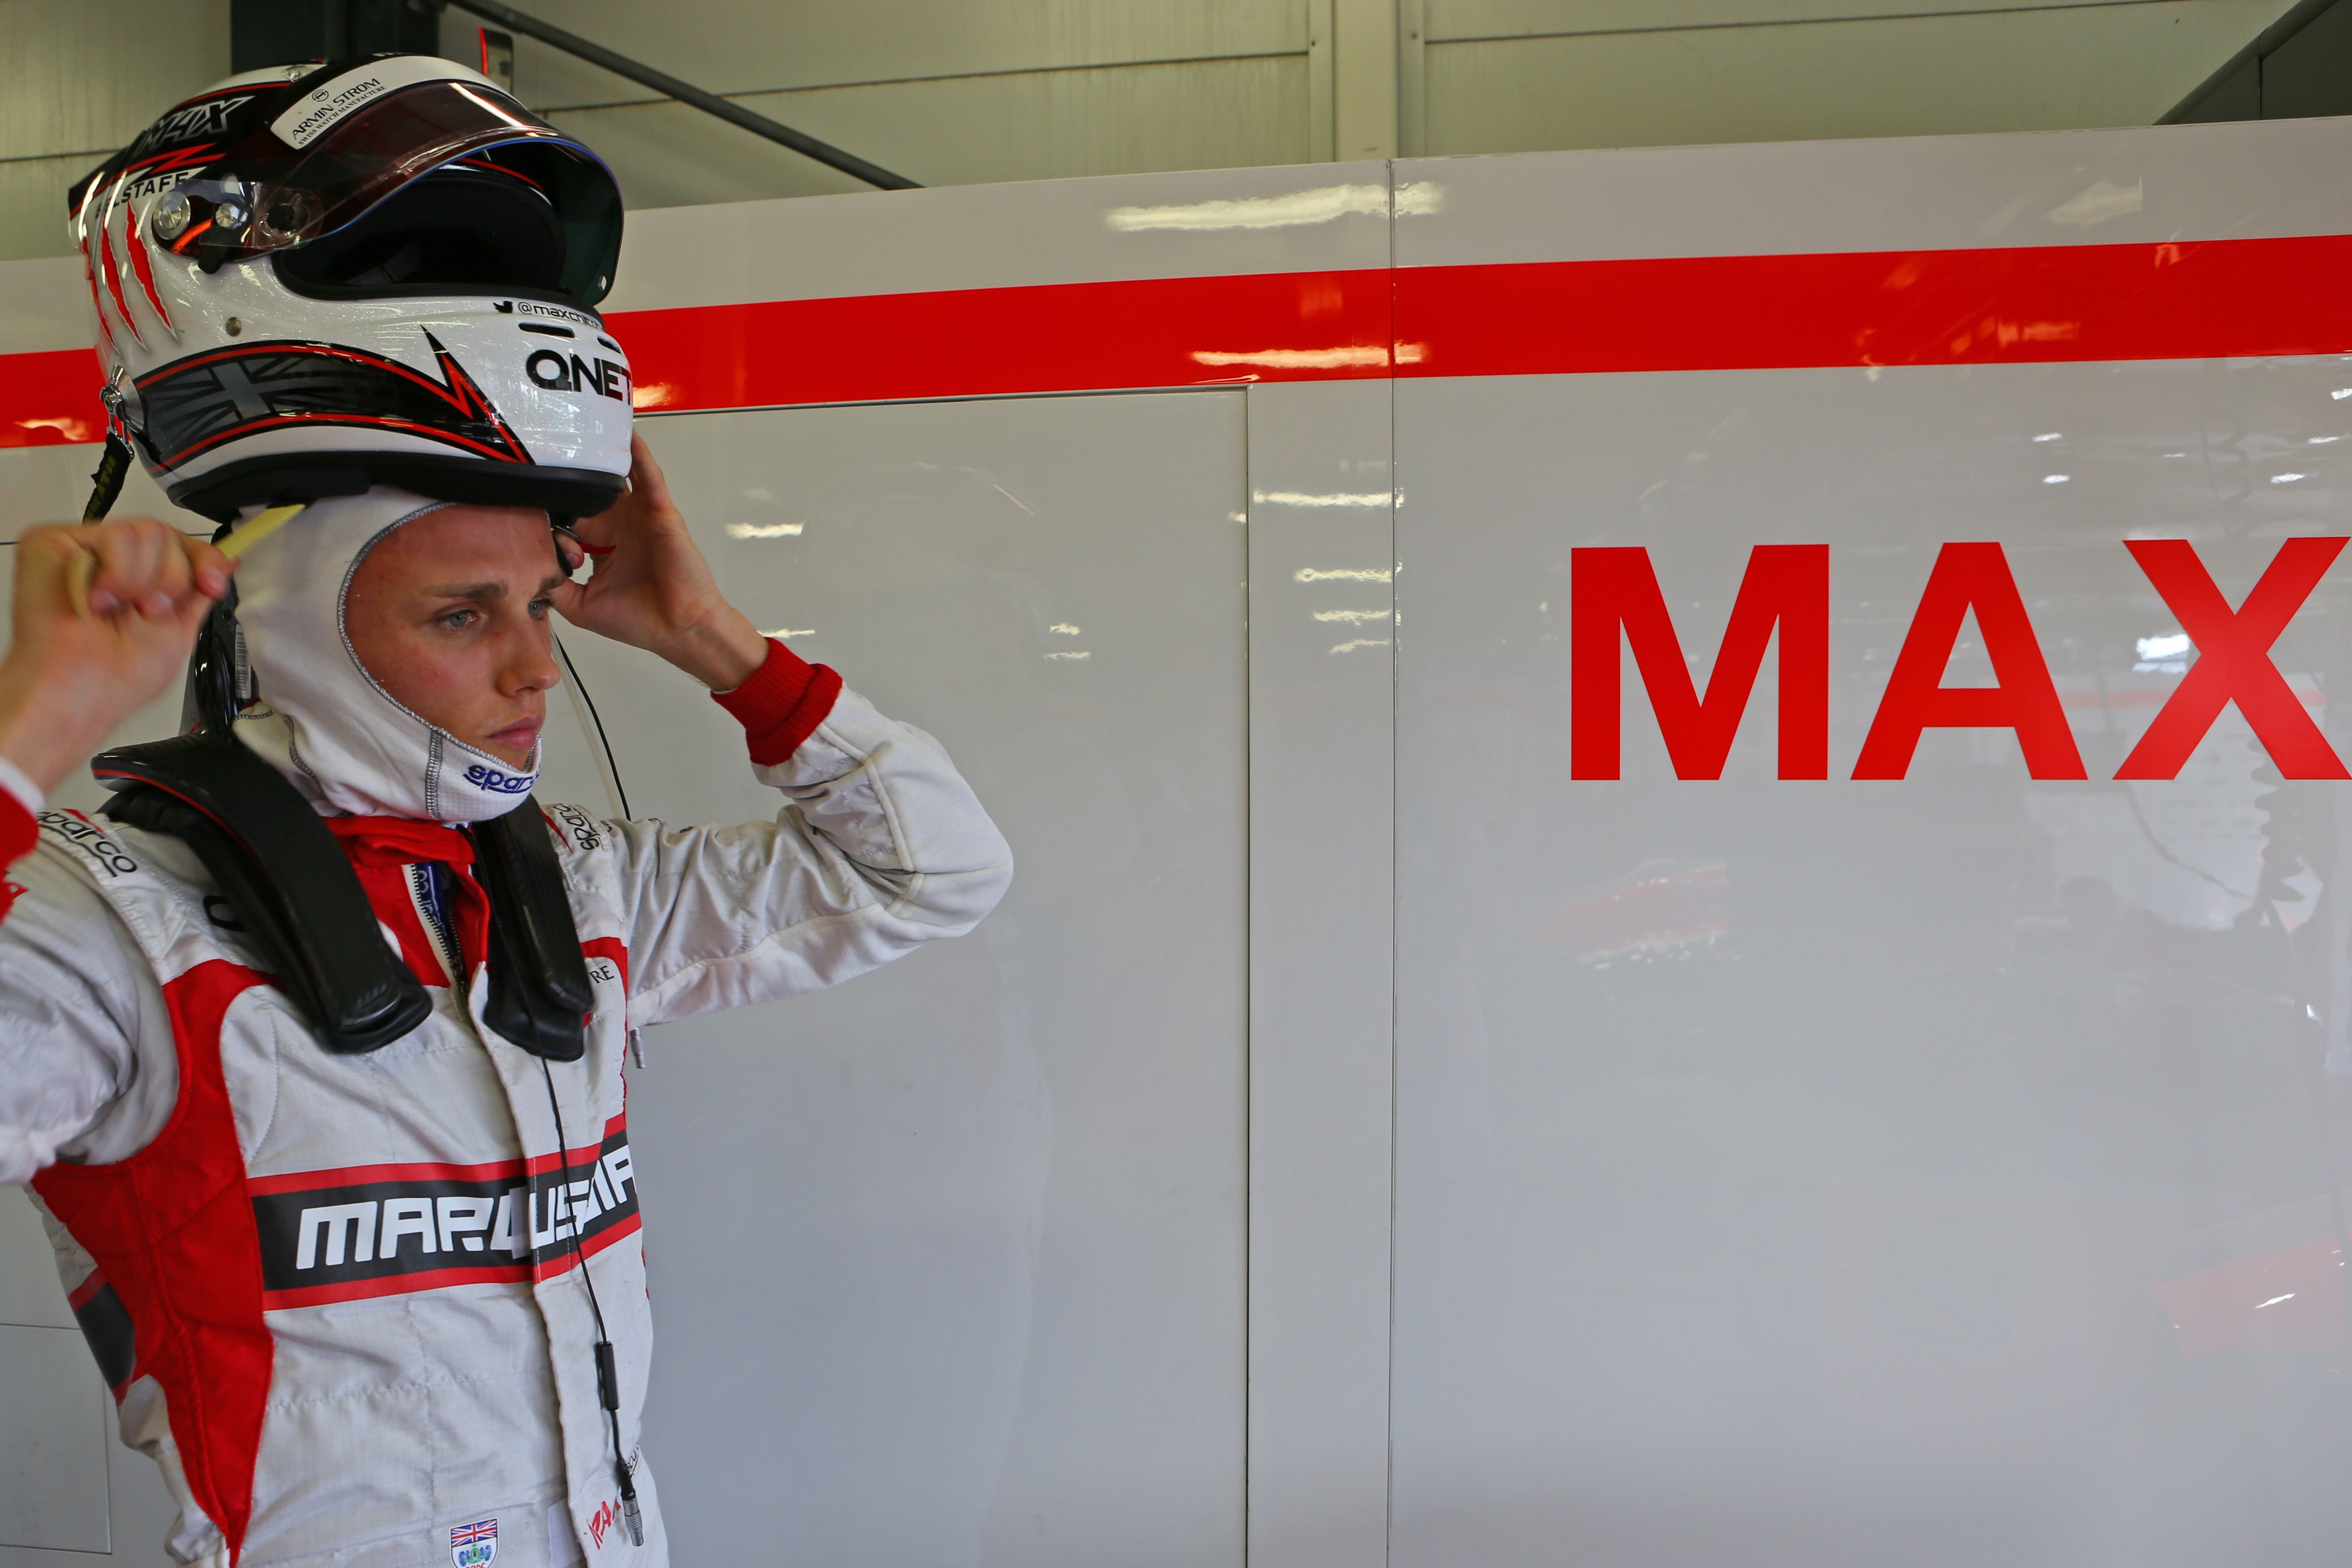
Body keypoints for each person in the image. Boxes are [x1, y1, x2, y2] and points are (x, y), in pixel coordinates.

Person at [0, 57, 1011, 1568]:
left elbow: (934, 870)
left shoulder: (572, 884)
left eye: (545, 601)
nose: (537, 667)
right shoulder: (122, 927)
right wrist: (34, 727)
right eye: (463, 615)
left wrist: (711, 639)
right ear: (298, 625)